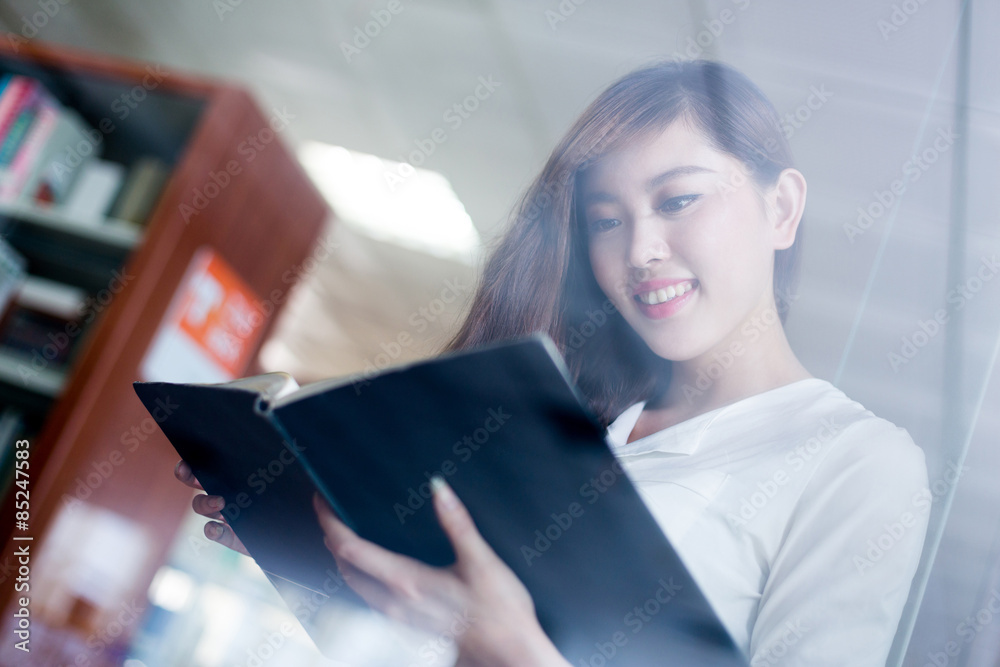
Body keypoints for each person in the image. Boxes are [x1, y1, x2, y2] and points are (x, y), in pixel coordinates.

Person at [176, 60, 929, 666]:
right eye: (607, 219)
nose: (639, 251)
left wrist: (510, 650)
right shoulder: (567, 424)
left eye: (679, 199)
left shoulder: (855, 463)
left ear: (782, 209)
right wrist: (314, 551)